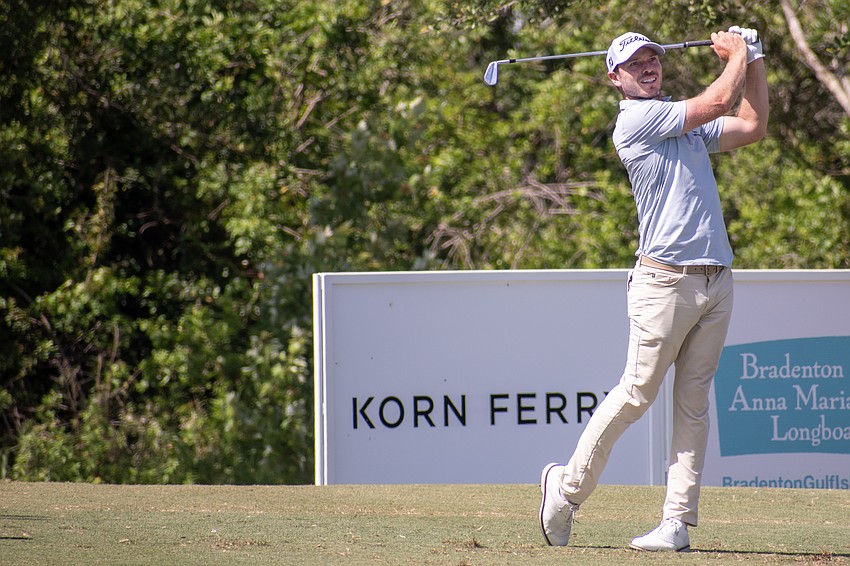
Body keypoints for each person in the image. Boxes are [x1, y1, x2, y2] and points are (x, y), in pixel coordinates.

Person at [538, 26, 769, 551]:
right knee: (638, 393)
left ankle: (677, 524)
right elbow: (716, 99)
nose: (648, 67)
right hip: (664, 283)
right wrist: (735, 54)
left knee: (692, 406)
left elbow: (752, 125)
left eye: (653, 59)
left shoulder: (683, 125)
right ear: (615, 78)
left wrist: (755, 58)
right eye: (635, 63)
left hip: (716, 278)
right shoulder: (638, 119)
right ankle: (566, 489)